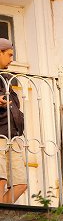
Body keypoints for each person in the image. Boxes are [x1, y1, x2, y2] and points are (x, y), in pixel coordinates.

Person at [0, 38, 27, 203]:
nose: (11, 59)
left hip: (14, 137)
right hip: (0, 135)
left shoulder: (7, 78)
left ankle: (3, 213)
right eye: (9, 55)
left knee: (21, 183)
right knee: (0, 179)